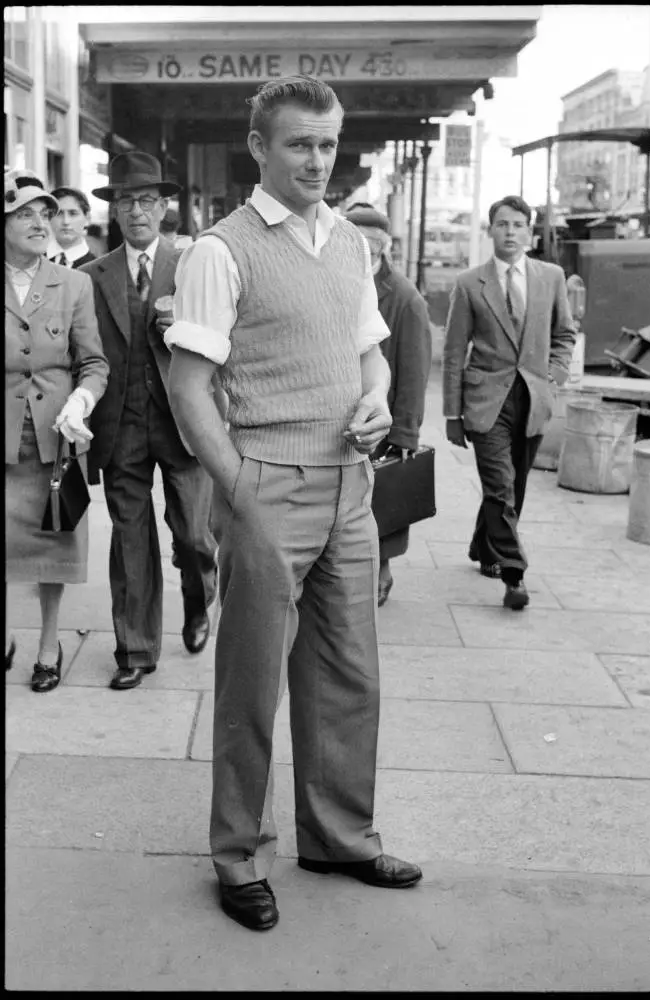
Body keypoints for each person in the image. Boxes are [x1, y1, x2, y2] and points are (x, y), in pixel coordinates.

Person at [166, 75, 423, 932]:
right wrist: (237, 486)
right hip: (266, 483)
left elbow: (370, 355)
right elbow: (189, 384)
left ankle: (338, 837)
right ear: (259, 148)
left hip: (350, 486)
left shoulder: (348, 240)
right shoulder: (221, 249)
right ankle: (239, 855)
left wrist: (379, 397)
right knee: (251, 686)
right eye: (299, 144)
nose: (318, 160)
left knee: (349, 673)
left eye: (327, 143)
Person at [79, 151, 218, 691]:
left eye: (146, 200)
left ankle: (200, 592)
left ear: (164, 208)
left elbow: (221, 343)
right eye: (125, 201)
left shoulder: (193, 266)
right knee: (130, 538)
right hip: (121, 426)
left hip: (184, 422)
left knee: (192, 533)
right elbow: (82, 351)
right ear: (114, 212)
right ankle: (135, 648)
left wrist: (178, 327)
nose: (136, 211)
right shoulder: (91, 277)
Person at [442, 194, 576, 610]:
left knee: (512, 486)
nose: (510, 232)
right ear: (490, 231)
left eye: (518, 224)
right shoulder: (469, 284)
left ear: (530, 233)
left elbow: (565, 334)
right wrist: (452, 413)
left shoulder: (551, 277)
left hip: (533, 398)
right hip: (486, 400)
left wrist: (554, 375)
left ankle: (484, 547)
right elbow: (453, 351)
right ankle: (513, 573)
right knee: (500, 487)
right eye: (502, 224)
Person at [5, 168, 109, 689]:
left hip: (53, 436)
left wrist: (82, 399)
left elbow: (94, 362)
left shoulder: (74, 285)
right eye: (25, 213)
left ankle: (49, 644)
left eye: (44, 213)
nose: (40, 222)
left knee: (52, 544)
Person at [345, 203, 432, 606]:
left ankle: (381, 571)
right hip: (341, 414)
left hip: (383, 415)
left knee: (384, 501)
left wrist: (405, 431)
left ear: (380, 248)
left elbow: (415, 371)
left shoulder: (406, 298)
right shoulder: (338, 279)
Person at [47, 186, 98, 269]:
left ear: (87, 218)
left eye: (73, 213)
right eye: (59, 213)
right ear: (49, 218)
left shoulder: (98, 269)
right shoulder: (32, 261)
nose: (66, 221)